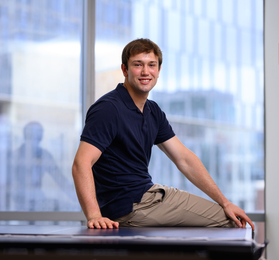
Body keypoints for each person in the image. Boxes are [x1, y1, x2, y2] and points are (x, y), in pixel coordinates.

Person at [72, 38, 255, 230]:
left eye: (151, 65)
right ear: (125, 70)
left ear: (158, 71)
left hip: (148, 196)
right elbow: (81, 163)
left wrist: (225, 202)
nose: (145, 72)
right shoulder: (109, 108)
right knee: (231, 223)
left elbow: (184, 159)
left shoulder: (152, 111)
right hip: (133, 205)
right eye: (138, 65)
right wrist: (94, 215)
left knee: (230, 217)